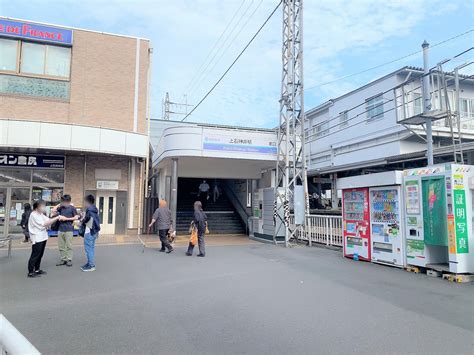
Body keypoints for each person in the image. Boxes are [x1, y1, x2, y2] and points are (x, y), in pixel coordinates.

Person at [27, 200, 61, 278]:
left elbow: (48, 220)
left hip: (43, 236)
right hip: (37, 237)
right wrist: (57, 217)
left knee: (40, 254)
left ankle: (37, 269)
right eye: (43, 206)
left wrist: (54, 215)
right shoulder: (33, 214)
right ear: (37, 206)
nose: (44, 207)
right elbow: (44, 224)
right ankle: (30, 271)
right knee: (35, 254)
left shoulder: (40, 214)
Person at [52, 194, 79, 267]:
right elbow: (53, 210)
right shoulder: (61, 207)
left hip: (69, 229)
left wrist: (66, 219)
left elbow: (76, 217)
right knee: (61, 246)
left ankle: (69, 259)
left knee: (68, 245)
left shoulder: (72, 208)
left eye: (64, 201)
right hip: (60, 229)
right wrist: (59, 204)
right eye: (62, 201)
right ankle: (63, 259)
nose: (63, 202)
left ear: (68, 201)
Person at [80, 195, 101, 272]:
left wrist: (82, 221)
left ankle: (91, 265)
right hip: (94, 231)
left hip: (90, 232)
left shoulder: (89, 209)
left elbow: (87, 218)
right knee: (91, 248)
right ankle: (89, 263)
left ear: (87, 201)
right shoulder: (94, 209)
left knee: (89, 249)